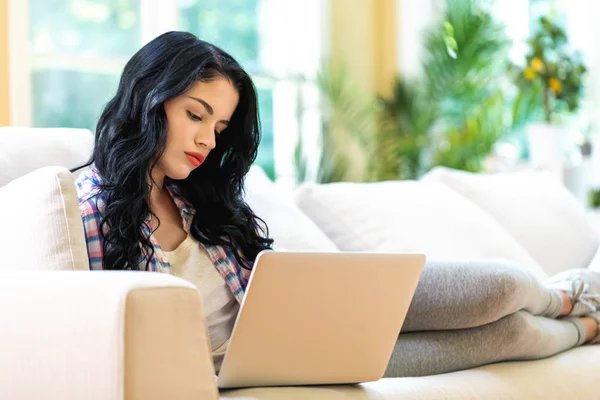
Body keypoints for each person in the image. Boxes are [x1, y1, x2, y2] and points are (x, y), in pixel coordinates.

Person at [73, 31, 600, 377]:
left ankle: (573, 294)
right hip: (269, 366)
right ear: (149, 96)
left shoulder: (194, 196)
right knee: (501, 335)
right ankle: (586, 326)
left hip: (304, 322)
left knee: (498, 288)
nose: (208, 140)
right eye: (196, 114)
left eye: (220, 126)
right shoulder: (85, 210)